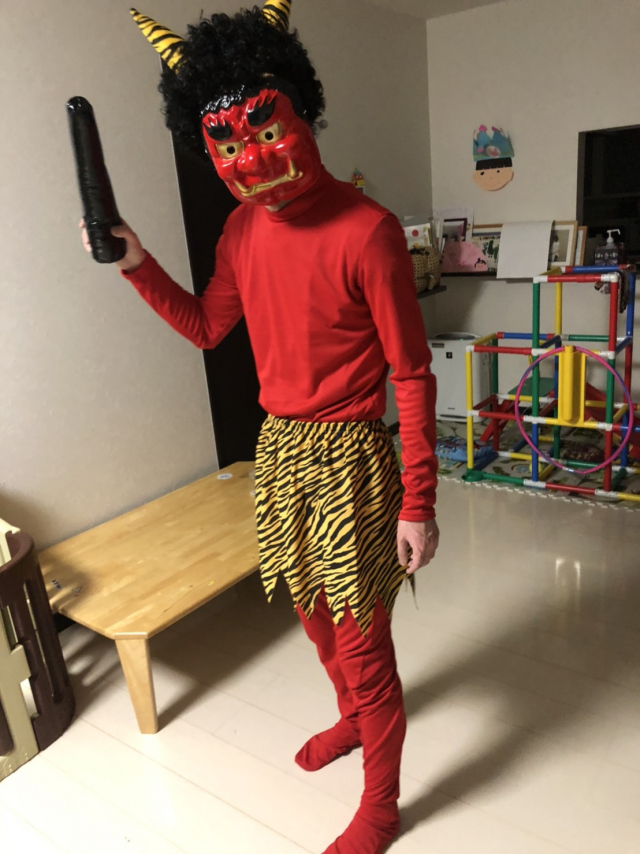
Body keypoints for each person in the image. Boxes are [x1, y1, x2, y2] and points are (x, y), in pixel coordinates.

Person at [80, 4, 439, 851]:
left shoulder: (370, 230)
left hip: (352, 455)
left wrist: (418, 502)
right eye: (228, 143)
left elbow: (412, 373)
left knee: (363, 637)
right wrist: (136, 263)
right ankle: (351, 717)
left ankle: (381, 803)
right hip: (279, 449)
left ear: (299, 112)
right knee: (312, 614)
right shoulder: (241, 230)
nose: (252, 156)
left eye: (265, 128)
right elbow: (209, 327)